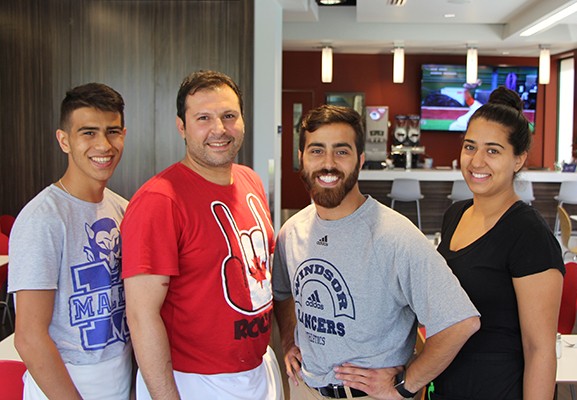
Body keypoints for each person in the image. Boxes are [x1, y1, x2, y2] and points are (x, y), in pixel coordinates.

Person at [272, 104, 481, 400]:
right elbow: (282, 292)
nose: (328, 163)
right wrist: (287, 340)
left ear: (360, 160)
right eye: (316, 150)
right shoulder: (291, 231)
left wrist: (406, 384)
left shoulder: (395, 236)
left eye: (341, 151)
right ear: (301, 159)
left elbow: (461, 321)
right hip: (304, 389)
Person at [121, 70, 282, 400]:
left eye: (228, 116)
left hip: (256, 368)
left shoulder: (250, 181)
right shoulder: (159, 201)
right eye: (203, 118)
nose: (219, 129)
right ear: (182, 127)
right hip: (195, 381)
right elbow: (141, 315)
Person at [432, 86, 565, 400]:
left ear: (518, 159)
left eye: (493, 150)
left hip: (499, 389)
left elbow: (540, 350)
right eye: (469, 147)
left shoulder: (528, 233)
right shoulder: (456, 214)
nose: (477, 161)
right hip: (448, 384)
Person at [8, 83, 131, 399]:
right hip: (64, 382)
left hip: (119, 373)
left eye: (112, 131)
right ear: (64, 140)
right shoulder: (42, 218)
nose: (103, 144)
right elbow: (30, 338)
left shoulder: (124, 210)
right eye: (88, 133)